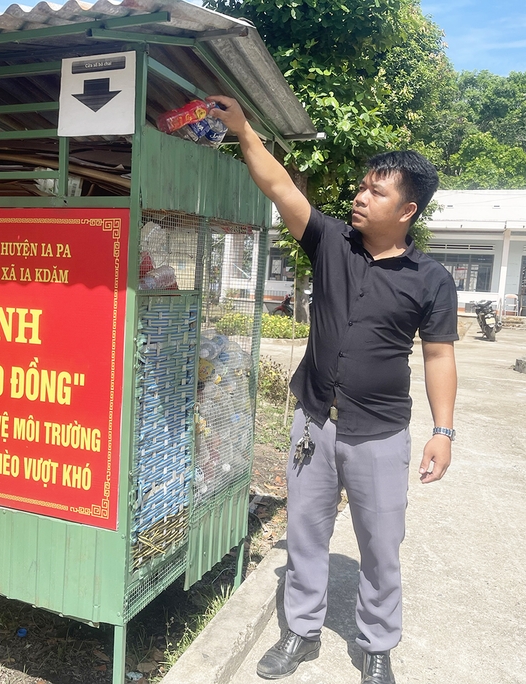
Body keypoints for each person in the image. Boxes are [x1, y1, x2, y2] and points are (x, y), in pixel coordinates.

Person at [208, 96, 458, 684]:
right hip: (316, 421)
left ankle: (376, 644)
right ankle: (300, 632)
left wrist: (443, 431)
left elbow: (440, 354)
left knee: (380, 545)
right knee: (306, 533)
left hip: (381, 431)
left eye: (376, 191)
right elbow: (279, 189)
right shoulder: (331, 243)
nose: (360, 197)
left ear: (408, 209)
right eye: (362, 187)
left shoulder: (431, 279)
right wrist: (243, 129)